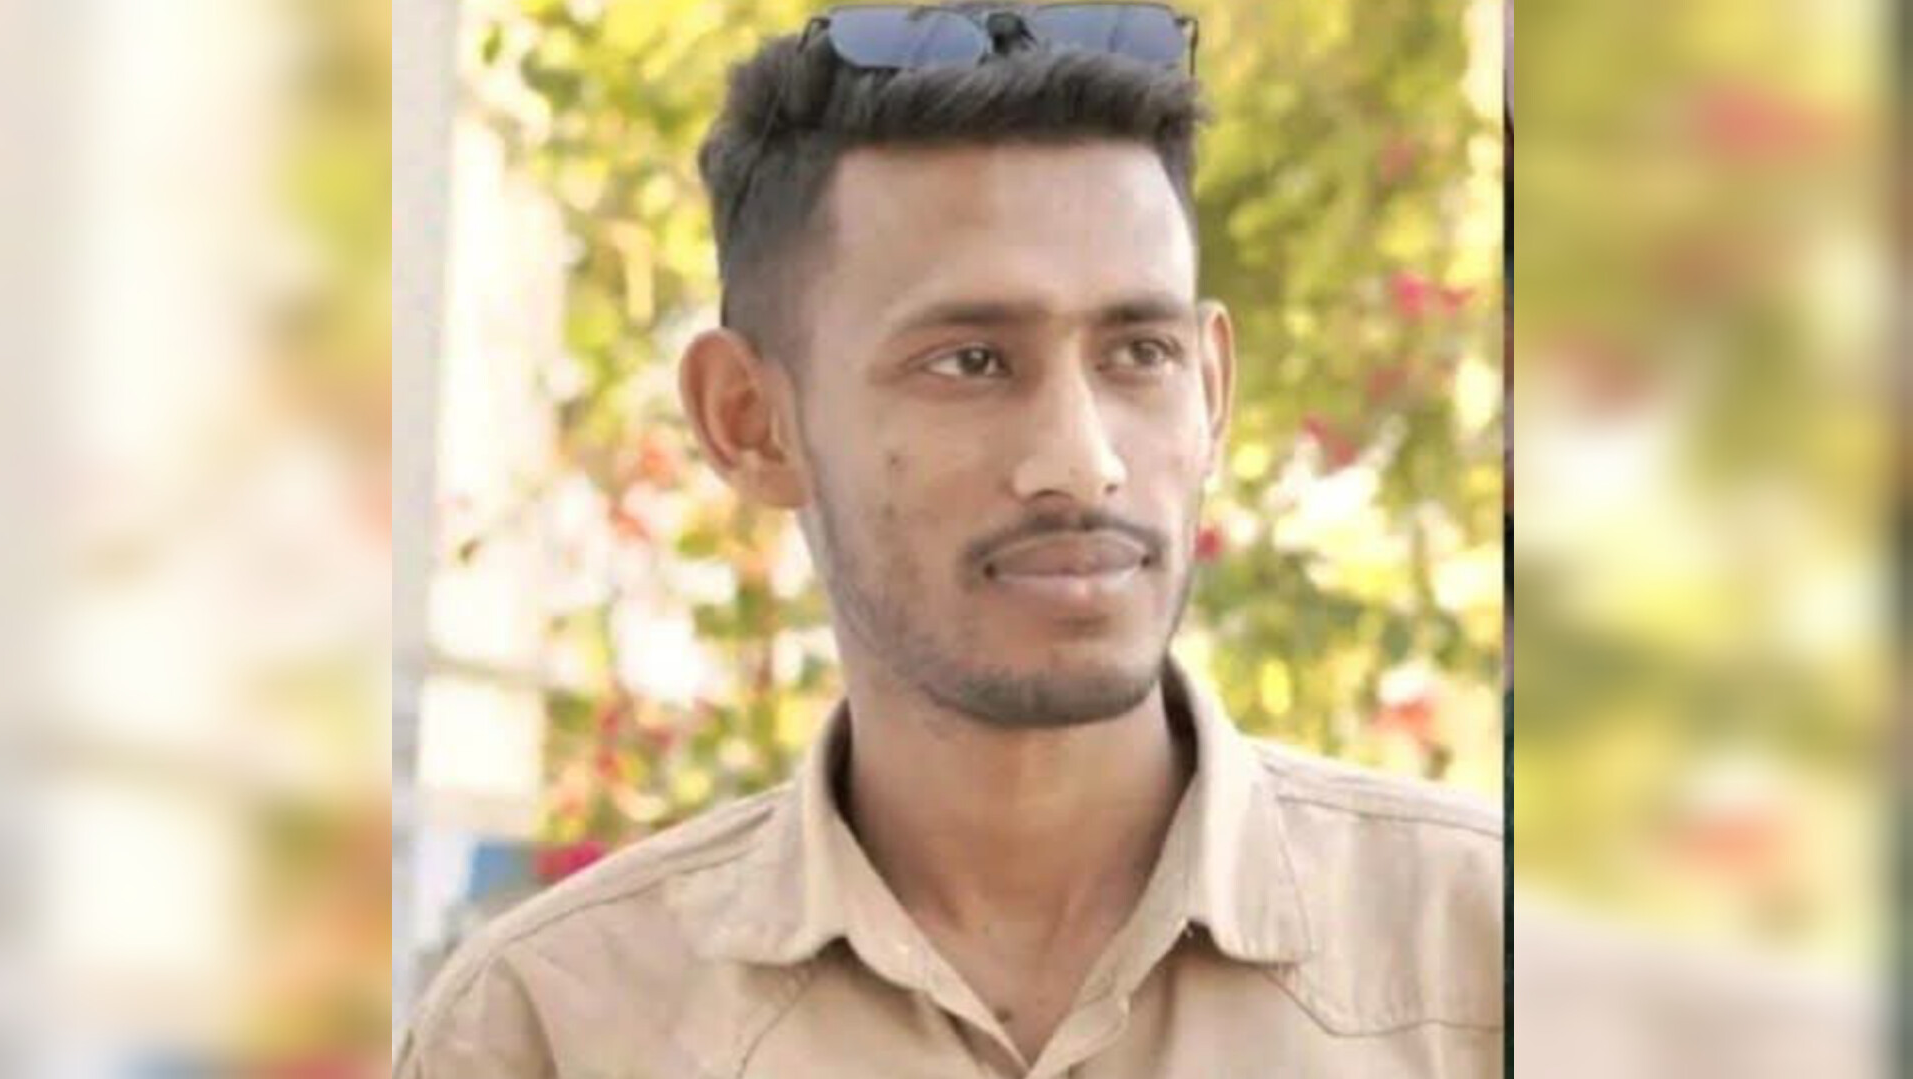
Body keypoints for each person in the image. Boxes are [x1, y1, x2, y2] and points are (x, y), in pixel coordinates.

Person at [396, 4, 1502, 1076]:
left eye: (1139, 353)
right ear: (749, 420)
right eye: (970, 361)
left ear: (1212, 389)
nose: (1082, 461)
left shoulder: (1487, 957)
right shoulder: (556, 1026)